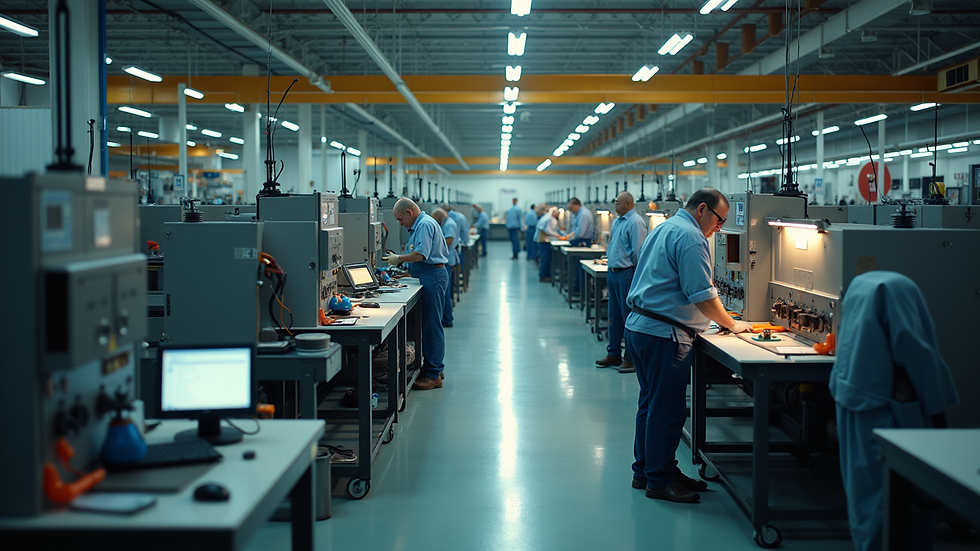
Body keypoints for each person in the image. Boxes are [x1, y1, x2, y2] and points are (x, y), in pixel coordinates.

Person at [625, 188, 754, 503]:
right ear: (702, 209)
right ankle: (660, 480)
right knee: (667, 410)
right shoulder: (692, 237)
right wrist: (732, 323)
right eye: (719, 220)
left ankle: (648, 471)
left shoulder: (665, 228)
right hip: (664, 334)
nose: (719, 228)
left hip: (641, 328)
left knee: (651, 405)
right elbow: (702, 295)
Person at [830, 271, 958, 551]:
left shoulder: (859, 296)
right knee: (898, 509)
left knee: (865, 504)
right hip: (890, 417)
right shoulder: (898, 294)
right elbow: (921, 360)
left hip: (856, 409)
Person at [384, 198, 450, 390]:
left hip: (433, 277)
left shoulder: (424, 225)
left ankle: (434, 374)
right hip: (427, 275)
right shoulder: (420, 225)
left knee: (431, 325)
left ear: (409, 213)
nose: (400, 223)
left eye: (400, 219)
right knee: (427, 324)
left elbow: (421, 255)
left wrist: (398, 259)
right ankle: (434, 366)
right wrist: (406, 272)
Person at [595, 192, 648, 374]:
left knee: (628, 318)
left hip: (626, 274)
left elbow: (638, 252)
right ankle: (614, 353)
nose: (614, 205)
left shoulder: (636, 222)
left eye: (617, 203)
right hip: (613, 273)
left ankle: (631, 358)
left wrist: (635, 277)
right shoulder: (618, 221)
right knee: (614, 317)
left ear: (627, 203)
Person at [559, 197, 594, 295]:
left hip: (583, 242)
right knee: (575, 266)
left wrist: (570, 238)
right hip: (578, 240)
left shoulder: (583, 215)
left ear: (577, 205)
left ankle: (580, 289)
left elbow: (580, 233)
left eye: (571, 208)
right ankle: (577, 286)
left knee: (580, 267)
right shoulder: (577, 214)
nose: (571, 210)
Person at [431, 208, 458, 328]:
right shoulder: (449, 223)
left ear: (441, 217)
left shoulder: (448, 225)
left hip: (447, 260)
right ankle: (446, 317)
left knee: (445, 293)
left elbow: (449, 241)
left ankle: (447, 319)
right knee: (446, 292)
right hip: (448, 259)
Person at [443, 203, 469, 296]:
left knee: (452, 276)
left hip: (456, 248)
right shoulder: (458, 216)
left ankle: (454, 288)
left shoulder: (451, 220)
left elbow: (451, 238)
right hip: (460, 245)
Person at [534, 206, 561, 282]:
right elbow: (546, 230)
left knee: (546, 258)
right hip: (544, 241)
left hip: (545, 241)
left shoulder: (549, 218)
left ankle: (545, 274)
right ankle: (543, 275)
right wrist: (557, 235)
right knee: (545, 259)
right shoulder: (548, 218)